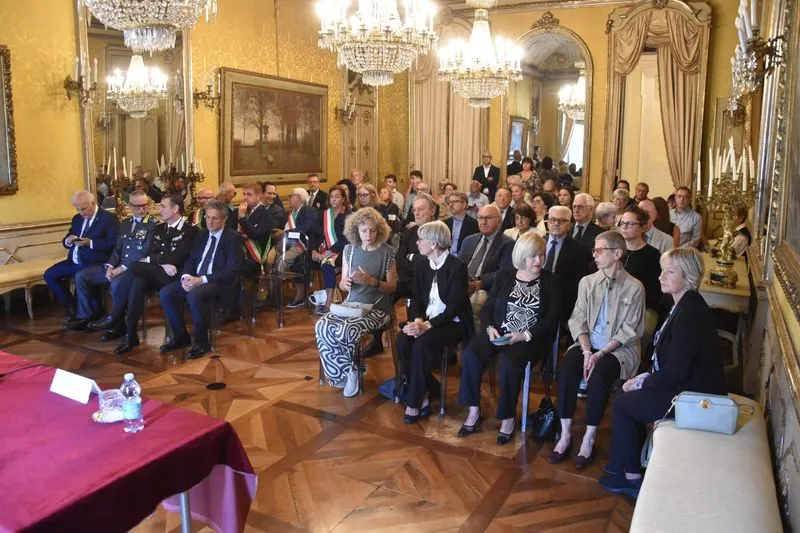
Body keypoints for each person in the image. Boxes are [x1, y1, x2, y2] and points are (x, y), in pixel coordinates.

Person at [600, 248, 726, 498]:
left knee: (623, 404)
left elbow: (676, 371)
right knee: (623, 390)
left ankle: (632, 478)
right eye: (662, 271)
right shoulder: (683, 304)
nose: (661, 277)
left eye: (670, 272)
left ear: (688, 276)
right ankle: (625, 464)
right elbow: (667, 360)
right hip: (683, 385)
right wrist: (642, 378)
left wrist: (643, 382)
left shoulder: (690, 314)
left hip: (693, 396)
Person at [549, 231, 645, 469]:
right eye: (594, 250)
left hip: (619, 349)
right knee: (567, 369)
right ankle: (566, 432)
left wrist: (600, 354)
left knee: (600, 374)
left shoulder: (634, 287)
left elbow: (630, 330)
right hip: (588, 343)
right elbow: (577, 319)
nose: (594, 254)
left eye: (599, 250)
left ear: (617, 253)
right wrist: (585, 351)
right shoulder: (587, 282)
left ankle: (590, 436)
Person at [457, 232, 561, 443]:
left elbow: (552, 319)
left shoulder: (551, 281)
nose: (538, 260)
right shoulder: (505, 276)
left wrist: (525, 335)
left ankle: (507, 417)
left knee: (509, 363)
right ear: (521, 255)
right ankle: (474, 410)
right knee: (470, 354)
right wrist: (489, 329)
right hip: (498, 331)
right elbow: (487, 309)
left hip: (530, 338)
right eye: (532, 256)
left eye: (541, 255)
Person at [397, 221, 473, 423]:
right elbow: (416, 299)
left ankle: (414, 402)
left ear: (433, 244)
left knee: (422, 344)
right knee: (402, 340)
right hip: (426, 320)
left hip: (452, 323)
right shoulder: (422, 265)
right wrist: (418, 320)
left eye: (420, 239)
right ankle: (428, 389)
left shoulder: (457, 267)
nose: (417, 243)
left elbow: (455, 307)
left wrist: (426, 326)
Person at [316, 207, 398, 397]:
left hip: (377, 309)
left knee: (347, 329)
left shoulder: (388, 252)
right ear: (356, 230)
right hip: (351, 306)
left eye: (372, 230)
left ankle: (353, 369)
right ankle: (343, 372)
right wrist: (344, 283)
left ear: (379, 230)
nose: (368, 235)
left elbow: (393, 287)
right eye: (363, 230)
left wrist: (372, 281)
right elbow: (343, 285)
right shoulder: (349, 250)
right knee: (322, 325)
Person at [106, 195, 198, 355]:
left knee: (134, 266)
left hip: (179, 275)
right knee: (137, 282)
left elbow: (179, 257)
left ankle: (116, 315)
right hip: (160, 272)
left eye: (162, 206)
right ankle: (131, 335)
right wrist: (163, 263)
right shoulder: (160, 228)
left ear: (175, 209)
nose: (158, 209)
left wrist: (157, 260)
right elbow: (150, 252)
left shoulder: (190, 229)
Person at [159, 200, 243, 359]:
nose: (210, 222)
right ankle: (180, 337)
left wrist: (201, 280)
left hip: (217, 282)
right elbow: (192, 259)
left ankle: (201, 342)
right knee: (166, 293)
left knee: (194, 295)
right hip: (195, 278)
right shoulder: (202, 234)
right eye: (208, 217)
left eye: (215, 218)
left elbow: (232, 271)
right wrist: (186, 277)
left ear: (224, 219)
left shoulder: (233, 238)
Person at [67, 190, 156, 332]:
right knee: (82, 275)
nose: (141, 209)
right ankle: (85, 316)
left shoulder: (154, 225)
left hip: (135, 269)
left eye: (145, 205)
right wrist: (110, 266)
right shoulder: (125, 224)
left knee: (116, 283)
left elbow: (142, 253)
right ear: (129, 206)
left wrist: (120, 269)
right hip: (116, 266)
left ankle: (117, 324)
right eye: (137, 206)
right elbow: (117, 249)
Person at [44, 191, 120, 321]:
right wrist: (68, 241)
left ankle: (91, 312)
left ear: (93, 203)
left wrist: (91, 243)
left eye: (84, 209)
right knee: (49, 275)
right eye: (78, 209)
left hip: (94, 262)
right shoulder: (77, 219)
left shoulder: (108, 218)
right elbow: (66, 240)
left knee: (82, 276)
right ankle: (70, 305)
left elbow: (113, 243)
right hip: (73, 261)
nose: (81, 212)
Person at [458, 204, 515, 320]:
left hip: (484, 288)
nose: (483, 222)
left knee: (467, 308)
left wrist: (479, 283)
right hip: (462, 284)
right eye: (480, 218)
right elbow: (457, 265)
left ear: (499, 221)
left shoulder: (508, 244)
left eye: (488, 218)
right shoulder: (469, 240)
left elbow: (504, 273)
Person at [619, 207, 663, 348]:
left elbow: (655, 291)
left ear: (643, 228)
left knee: (637, 335)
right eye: (622, 223)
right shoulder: (615, 250)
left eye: (630, 224)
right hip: (615, 305)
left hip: (642, 308)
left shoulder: (652, 255)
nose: (624, 227)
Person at [545, 205, 594, 330]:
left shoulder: (580, 250)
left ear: (569, 224)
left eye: (561, 221)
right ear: (548, 222)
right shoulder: (537, 242)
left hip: (563, 306)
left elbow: (578, 285)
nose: (556, 223)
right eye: (552, 220)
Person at [273, 188, 320, 308]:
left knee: (282, 261)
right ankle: (272, 294)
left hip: (302, 245)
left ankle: (277, 298)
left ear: (299, 197)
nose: (289, 198)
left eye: (291, 196)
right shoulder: (291, 213)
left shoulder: (309, 210)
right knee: (270, 261)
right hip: (287, 244)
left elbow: (307, 228)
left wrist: (285, 233)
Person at [310, 185, 351, 315]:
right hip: (322, 250)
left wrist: (330, 251)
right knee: (304, 260)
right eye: (331, 197)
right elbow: (314, 234)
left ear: (343, 199)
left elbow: (347, 238)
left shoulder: (348, 215)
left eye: (337, 197)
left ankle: (329, 303)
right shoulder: (323, 214)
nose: (333, 199)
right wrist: (314, 250)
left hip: (341, 251)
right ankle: (307, 297)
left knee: (327, 264)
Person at [396, 193, 437, 299]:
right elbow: (400, 260)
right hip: (409, 281)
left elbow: (436, 261)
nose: (417, 213)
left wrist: (412, 257)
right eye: (414, 210)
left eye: (421, 209)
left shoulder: (439, 232)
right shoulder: (407, 234)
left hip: (433, 282)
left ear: (432, 211)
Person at [236, 182, 273, 278]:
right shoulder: (238, 210)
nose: (245, 198)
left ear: (259, 196)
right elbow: (230, 231)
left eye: (249, 194)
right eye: (244, 194)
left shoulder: (266, 214)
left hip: (254, 255)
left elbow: (255, 234)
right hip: (238, 250)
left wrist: (242, 217)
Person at [444, 191, 478, 255]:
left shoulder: (474, 224)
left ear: (464, 205)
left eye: (454, 202)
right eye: (449, 202)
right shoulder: (444, 223)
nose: (450, 205)